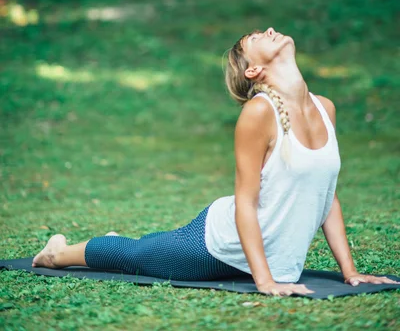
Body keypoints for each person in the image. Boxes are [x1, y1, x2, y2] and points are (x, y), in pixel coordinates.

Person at [32, 27, 399, 297]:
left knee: (148, 249)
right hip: (218, 244)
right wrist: (264, 281)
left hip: (272, 256)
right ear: (253, 71)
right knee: (138, 254)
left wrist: (350, 272)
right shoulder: (259, 112)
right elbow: (245, 201)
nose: (270, 30)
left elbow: (327, 196)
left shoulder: (325, 108)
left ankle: (121, 243)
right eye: (257, 38)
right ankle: (56, 253)